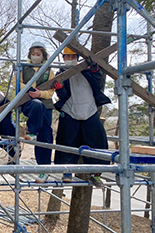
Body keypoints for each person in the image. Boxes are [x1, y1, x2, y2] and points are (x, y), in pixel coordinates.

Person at [52, 47, 111, 188]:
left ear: (77, 57)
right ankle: (67, 172)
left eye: (72, 56)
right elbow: (64, 96)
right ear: (63, 58)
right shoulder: (61, 73)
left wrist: (96, 70)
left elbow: (98, 84)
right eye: (67, 57)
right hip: (70, 110)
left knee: (97, 142)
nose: (69, 59)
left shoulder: (88, 70)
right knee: (66, 142)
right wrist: (60, 89)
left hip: (89, 110)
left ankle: (95, 175)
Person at [15, 41, 55, 183]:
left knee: (46, 136)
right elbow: (17, 83)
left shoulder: (49, 70)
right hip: (29, 102)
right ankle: (31, 132)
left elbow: (51, 92)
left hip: (46, 104)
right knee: (37, 106)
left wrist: (40, 94)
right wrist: (31, 90)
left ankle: (44, 169)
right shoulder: (23, 67)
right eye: (33, 54)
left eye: (38, 54)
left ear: (43, 55)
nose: (35, 56)